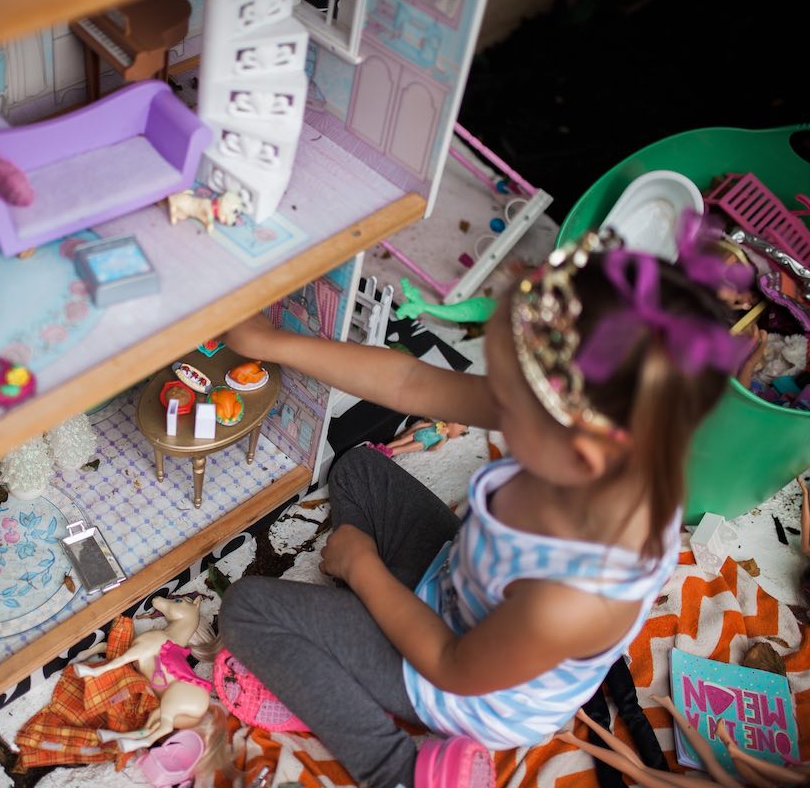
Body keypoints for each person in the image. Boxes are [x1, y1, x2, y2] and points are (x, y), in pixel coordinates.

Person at [218, 224, 751, 788]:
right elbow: (412, 383)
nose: (490, 399)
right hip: (452, 583)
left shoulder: (575, 596)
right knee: (356, 469)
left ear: (582, 452)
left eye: (507, 399)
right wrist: (270, 344)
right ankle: (355, 636)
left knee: (248, 610)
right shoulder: (597, 439)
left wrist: (363, 569)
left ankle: (396, 766)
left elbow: (454, 665)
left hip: (462, 685)